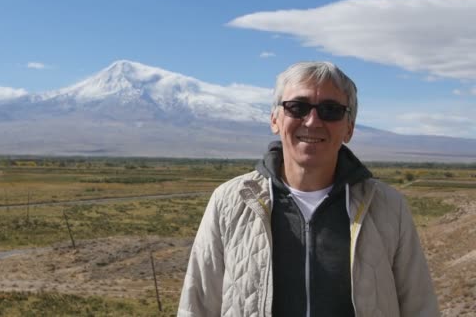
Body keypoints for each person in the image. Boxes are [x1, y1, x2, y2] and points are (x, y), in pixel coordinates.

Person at [178, 61, 439, 317]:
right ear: (275, 119)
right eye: (297, 107)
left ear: (349, 127)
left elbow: (419, 306)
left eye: (331, 110)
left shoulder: (387, 206)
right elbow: (197, 304)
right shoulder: (231, 201)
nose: (313, 121)